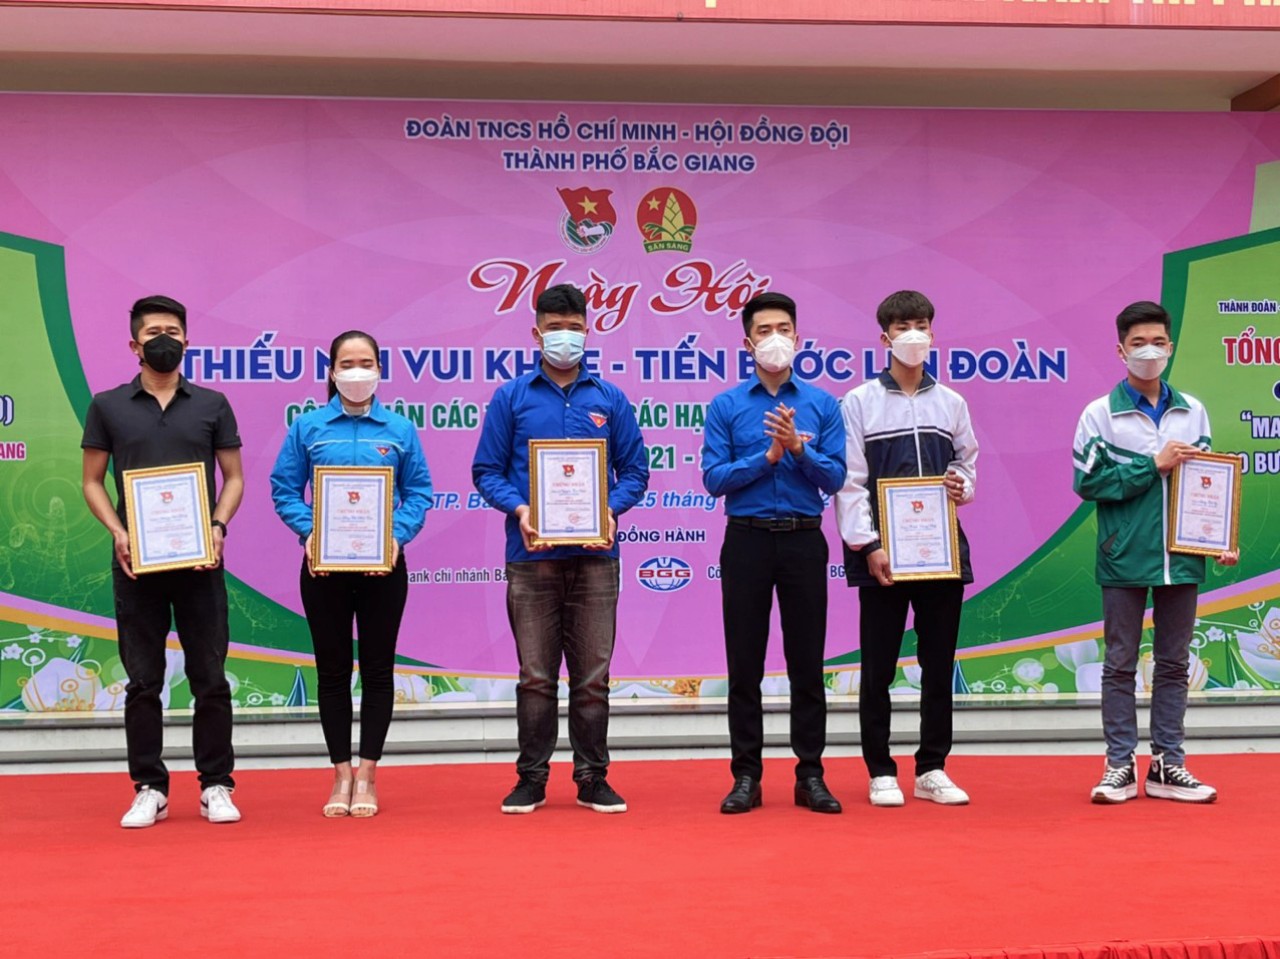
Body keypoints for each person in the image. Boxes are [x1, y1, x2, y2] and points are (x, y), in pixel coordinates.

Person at [472, 283, 649, 815]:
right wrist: (521, 509)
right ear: (537, 333)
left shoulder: (610, 399)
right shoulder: (511, 398)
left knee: (593, 679)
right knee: (536, 677)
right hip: (532, 557)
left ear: (588, 331)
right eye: (554, 328)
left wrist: (611, 510)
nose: (564, 337)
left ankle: (593, 777)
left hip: (596, 558)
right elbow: (486, 470)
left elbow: (635, 471)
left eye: (573, 328)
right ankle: (531, 778)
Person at [81, 295, 245, 828]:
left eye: (172, 332)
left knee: (210, 677)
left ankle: (216, 784)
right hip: (137, 565)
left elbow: (234, 478)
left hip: (200, 564)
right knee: (143, 681)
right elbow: (91, 481)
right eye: (153, 332)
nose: (163, 341)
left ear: (187, 341)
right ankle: (149, 787)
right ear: (135, 345)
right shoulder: (108, 405)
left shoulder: (212, 404)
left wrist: (217, 527)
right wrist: (119, 532)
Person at [1073, 300, 1238, 804]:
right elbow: (1087, 483)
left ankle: (1168, 764)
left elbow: (1206, 485)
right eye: (1139, 343)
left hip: (1183, 558)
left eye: (1158, 342)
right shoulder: (1099, 414)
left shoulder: (1193, 411)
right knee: (1120, 663)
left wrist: (1219, 538)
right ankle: (1119, 765)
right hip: (1123, 555)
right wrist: (1153, 465)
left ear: (1171, 347)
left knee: (1173, 663)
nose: (1149, 351)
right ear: (1120, 350)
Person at [270, 330, 432, 818]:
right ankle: (340, 774)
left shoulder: (400, 429)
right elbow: (283, 489)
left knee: (379, 671)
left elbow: (419, 492)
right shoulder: (308, 427)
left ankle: (368, 776)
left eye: (366, 363)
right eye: (347, 363)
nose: (357, 372)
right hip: (325, 570)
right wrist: (310, 531)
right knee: (333, 671)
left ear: (379, 370)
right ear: (332, 372)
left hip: (385, 568)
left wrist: (397, 535)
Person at [701, 291, 847, 815]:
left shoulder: (823, 404)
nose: (775, 339)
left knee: (807, 663)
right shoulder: (726, 406)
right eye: (764, 331)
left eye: (784, 329)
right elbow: (714, 479)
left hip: (804, 539)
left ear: (798, 338)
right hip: (747, 540)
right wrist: (767, 457)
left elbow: (836, 476)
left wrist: (801, 449)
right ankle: (746, 776)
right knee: (745, 665)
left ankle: (811, 775)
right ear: (748, 343)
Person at [835, 290, 978, 807]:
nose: (913, 334)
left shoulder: (952, 403)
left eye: (921, 324)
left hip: (941, 552)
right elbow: (850, 481)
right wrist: (868, 544)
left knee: (939, 664)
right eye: (902, 327)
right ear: (885, 337)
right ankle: (880, 770)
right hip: (883, 556)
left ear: (932, 333)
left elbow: (967, 464)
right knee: (878, 666)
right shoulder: (859, 402)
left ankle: (932, 768)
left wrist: (962, 484)